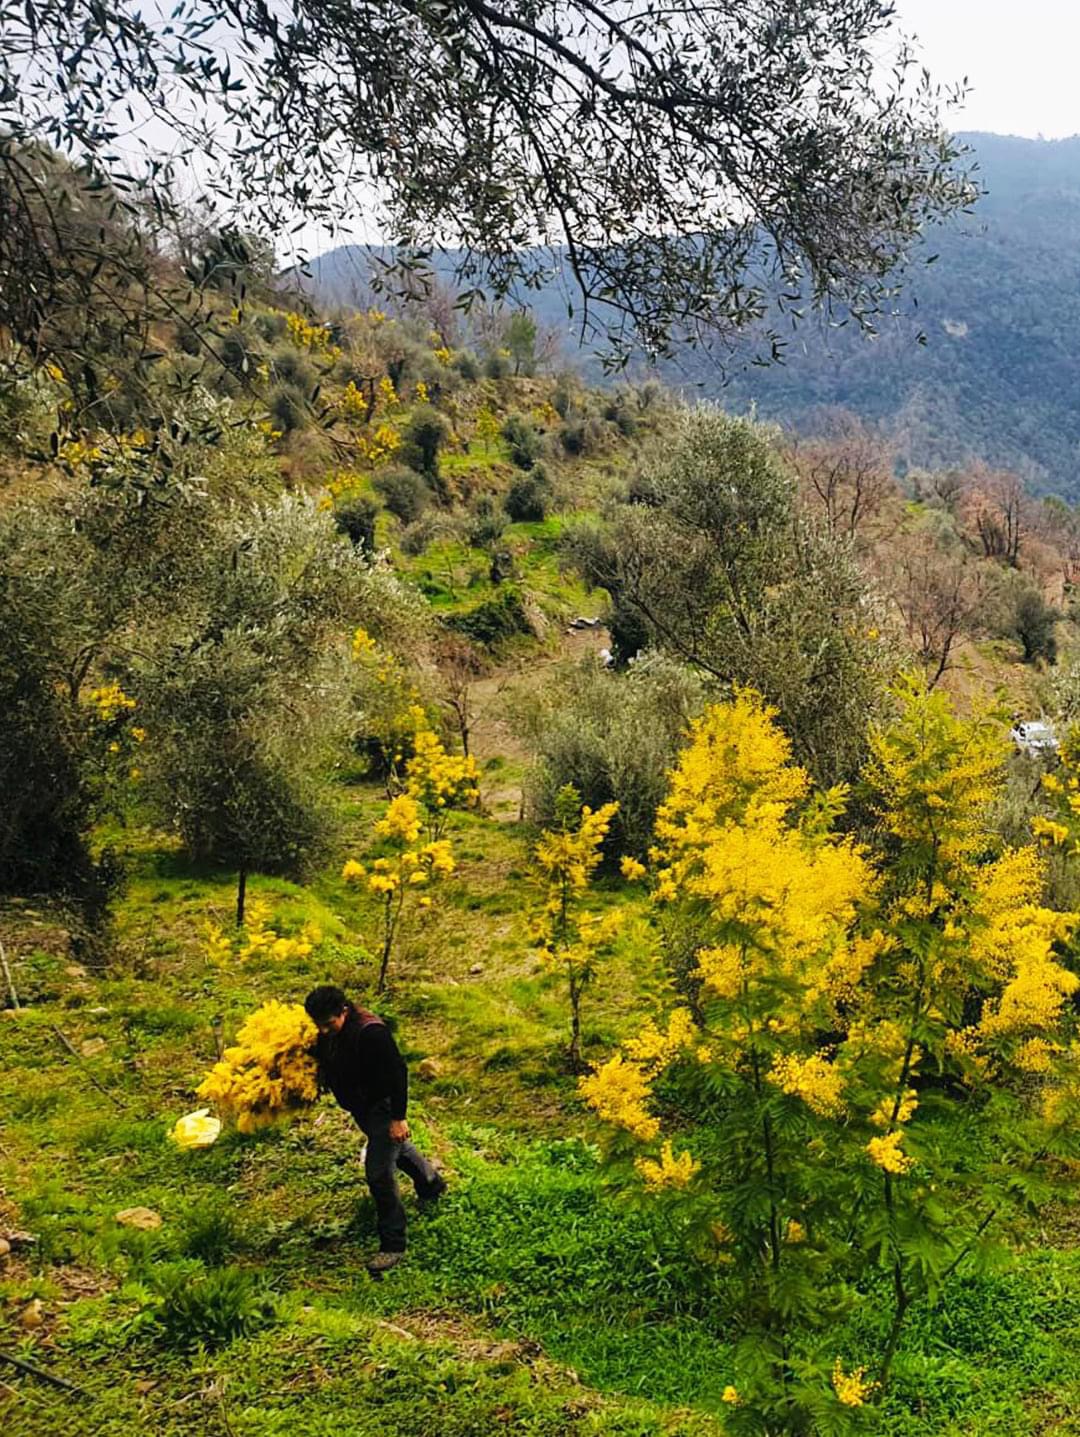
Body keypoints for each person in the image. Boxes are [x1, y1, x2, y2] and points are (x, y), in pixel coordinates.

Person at [304, 984, 446, 1273]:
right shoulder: (330, 1032)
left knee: (379, 1174)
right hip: (362, 1107)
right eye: (319, 1025)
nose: (324, 1030)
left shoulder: (371, 1033)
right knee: (397, 1149)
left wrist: (398, 1118)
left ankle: (393, 1245)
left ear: (344, 1011)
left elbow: (398, 1073)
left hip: (383, 1106)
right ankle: (432, 1185)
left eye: (329, 1024)